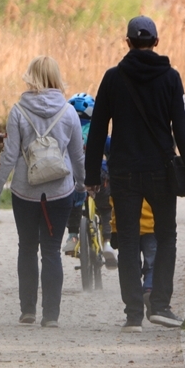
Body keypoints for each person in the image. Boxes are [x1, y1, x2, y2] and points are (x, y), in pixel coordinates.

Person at [85, 15, 185, 334]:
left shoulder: (113, 78)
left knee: (127, 239)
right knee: (166, 236)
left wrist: (92, 175)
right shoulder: (170, 78)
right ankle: (161, 305)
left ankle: (133, 315)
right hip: (160, 172)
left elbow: (97, 129)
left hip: (123, 172)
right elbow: (184, 127)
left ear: (127, 42)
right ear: (156, 42)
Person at [0, 56, 86, 328]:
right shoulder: (69, 112)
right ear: (56, 77)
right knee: (52, 251)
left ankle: (28, 310)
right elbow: (77, 156)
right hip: (60, 191)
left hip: (25, 192)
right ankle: (51, 315)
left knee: (27, 248)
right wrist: (80, 186)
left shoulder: (18, 111)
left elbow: (9, 155)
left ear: (30, 76)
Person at [63, 92, 116, 266]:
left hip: (73, 176)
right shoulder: (98, 130)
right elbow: (111, 150)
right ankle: (107, 242)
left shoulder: (66, 130)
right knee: (106, 209)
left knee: (75, 205)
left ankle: (72, 236)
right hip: (99, 176)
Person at [110, 199, 157, 311]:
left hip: (127, 227)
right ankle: (149, 289)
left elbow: (115, 203)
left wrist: (114, 229)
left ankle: (134, 303)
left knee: (131, 264)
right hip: (152, 225)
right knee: (153, 263)